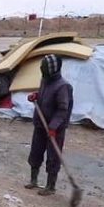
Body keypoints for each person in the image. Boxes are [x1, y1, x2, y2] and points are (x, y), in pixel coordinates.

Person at [25, 54, 74, 195]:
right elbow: (44, 95)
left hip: (55, 129)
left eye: (44, 67)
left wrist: (53, 127)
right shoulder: (45, 80)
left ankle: (50, 186)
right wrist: (36, 95)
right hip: (41, 124)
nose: (41, 69)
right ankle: (33, 180)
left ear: (51, 69)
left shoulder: (63, 86)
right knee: (36, 152)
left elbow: (62, 109)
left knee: (53, 157)